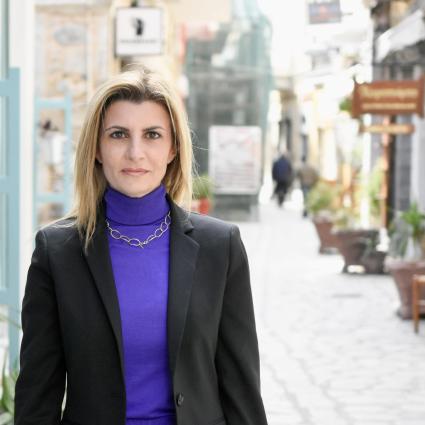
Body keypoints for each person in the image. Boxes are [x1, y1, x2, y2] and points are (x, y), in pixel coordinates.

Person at [14, 66, 268, 425]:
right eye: (118, 134)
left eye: (152, 135)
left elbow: (241, 388)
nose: (136, 152)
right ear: (97, 149)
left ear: (173, 149)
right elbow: (38, 395)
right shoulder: (57, 252)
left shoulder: (220, 247)